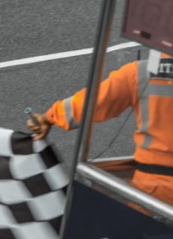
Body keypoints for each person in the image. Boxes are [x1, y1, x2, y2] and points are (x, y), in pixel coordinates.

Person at [27, 50, 173, 204]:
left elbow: (91, 103)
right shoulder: (141, 71)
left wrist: (49, 117)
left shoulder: (140, 72)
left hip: (151, 188)